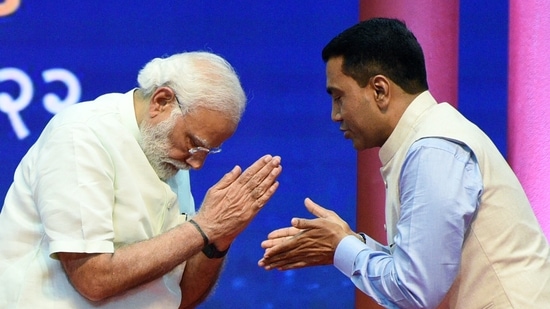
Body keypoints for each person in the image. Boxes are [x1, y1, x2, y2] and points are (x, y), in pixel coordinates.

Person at [258, 18, 550, 308]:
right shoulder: (430, 139)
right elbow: (418, 272)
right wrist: (347, 242)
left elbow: (415, 290)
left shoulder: (434, 149)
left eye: (339, 97)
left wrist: (342, 248)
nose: (335, 114)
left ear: (380, 91)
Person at [0, 51, 283, 308]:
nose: (197, 163)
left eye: (209, 150)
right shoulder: (82, 135)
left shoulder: (167, 150)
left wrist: (218, 237)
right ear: (162, 101)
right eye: (195, 144)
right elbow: (93, 280)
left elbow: (181, 296)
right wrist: (204, 226)